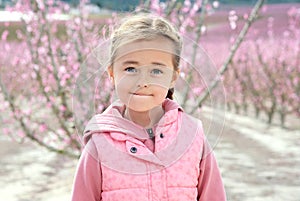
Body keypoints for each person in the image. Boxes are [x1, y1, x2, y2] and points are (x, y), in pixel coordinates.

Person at [71, 13, 226, 201]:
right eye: (130, 69)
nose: (143, 81)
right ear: (112, 73)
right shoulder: (100, 144)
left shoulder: (192, 136)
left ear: (173, 77)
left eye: (156, 71)